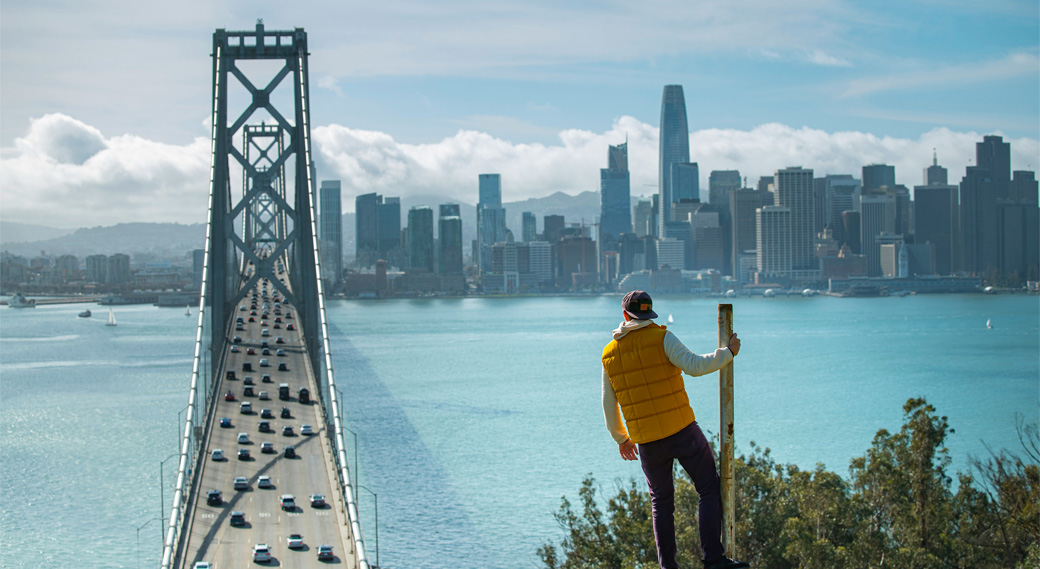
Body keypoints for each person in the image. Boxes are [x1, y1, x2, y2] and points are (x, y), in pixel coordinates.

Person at [602, 290, 749, 569]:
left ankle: (668, 566)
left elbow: (609, 404)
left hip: (647, 441)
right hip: (681, 430)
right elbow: (695, 366)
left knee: (661, 504)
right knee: (707, 488)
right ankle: (713, 559)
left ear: (625, 315)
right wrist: (728, 353)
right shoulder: (662, 337)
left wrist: (621, 438)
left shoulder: (609, 354)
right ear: (650, 313)